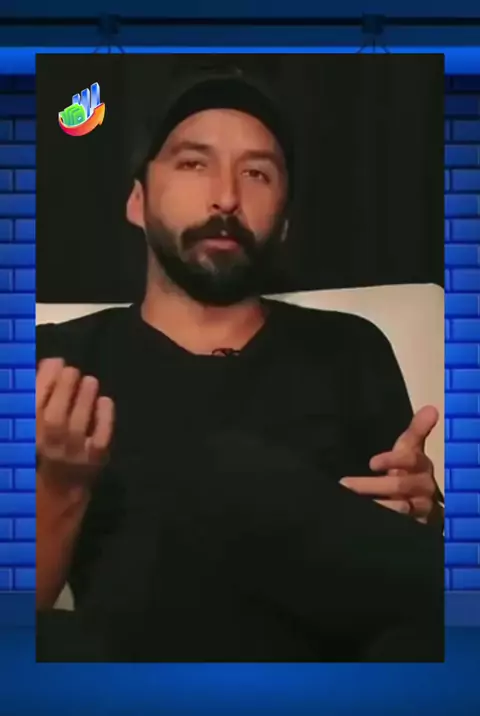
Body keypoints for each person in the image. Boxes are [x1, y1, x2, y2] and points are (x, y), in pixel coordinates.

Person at [36, 67, 444, 662]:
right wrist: (61, 485)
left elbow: (397, 566)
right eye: (193, 163)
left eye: (257, 173)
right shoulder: (58, 362)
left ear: (285, 221)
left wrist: (421, 513)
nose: (226, 196)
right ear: (137, 200)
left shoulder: (348, 347)